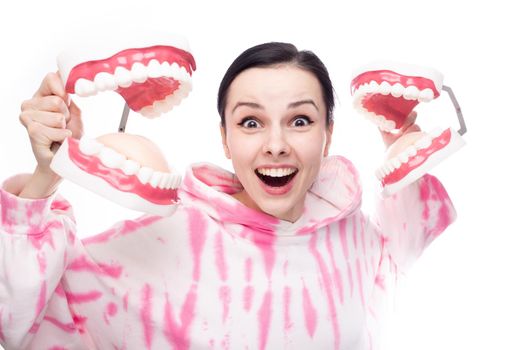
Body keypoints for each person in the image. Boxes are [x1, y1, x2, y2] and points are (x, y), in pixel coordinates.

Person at [0, 42, 456, 349]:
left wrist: (404, 136)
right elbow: (19, 319)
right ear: (225, 139)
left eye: (299, 121)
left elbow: (399, 249)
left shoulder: (350, 235)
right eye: (251, 122)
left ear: (327, 135)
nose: (275, 144)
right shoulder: (169, 244)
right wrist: (47, 174)